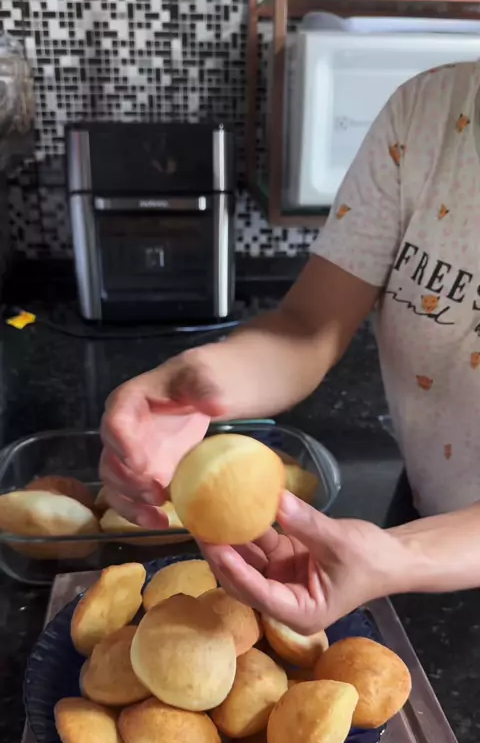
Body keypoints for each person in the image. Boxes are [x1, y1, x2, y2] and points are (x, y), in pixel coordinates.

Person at [100, 61, 480, 635]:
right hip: (421, 514)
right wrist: (202, 378)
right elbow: (309, 324)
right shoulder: (427, 110)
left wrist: (401, 556)